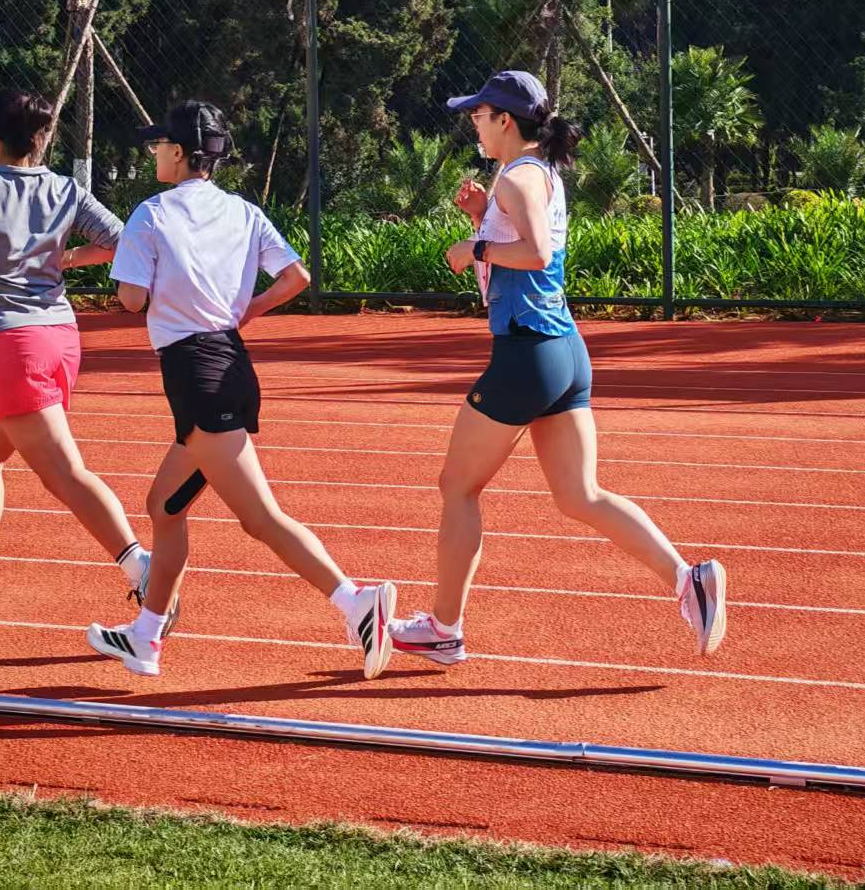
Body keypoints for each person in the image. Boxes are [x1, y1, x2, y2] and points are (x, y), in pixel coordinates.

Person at [389, 70, 727, 666]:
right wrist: (481, 219)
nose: (474, 122)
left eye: (480, 114)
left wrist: (475, 246)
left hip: (526, 354)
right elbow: (527, 251)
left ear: (506, 120)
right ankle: (687, 578)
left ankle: (443, 628)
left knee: (457, 487)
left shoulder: (517, 176)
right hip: (563, 351)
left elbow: (536, 254)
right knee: (580, 495)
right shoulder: (537, 172)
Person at [86, 99, 395, 679]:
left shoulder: (151, 214)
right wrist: (243, 311)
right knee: (163, 506)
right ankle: (146, 637)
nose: (154, 153)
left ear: (181, 153)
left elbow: (130, 299)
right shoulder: (244, 212)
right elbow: (296, 277)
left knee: (260, 518)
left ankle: (357, 603)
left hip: (197, 377)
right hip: (227, 366)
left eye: (160, 145)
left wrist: (156, 283)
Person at [0, 89, 165, 628]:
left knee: (64, 473)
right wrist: (64, 259)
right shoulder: (65, 188)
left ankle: (145, 570)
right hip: (58, 337)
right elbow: (120, 240)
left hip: (11, 344)